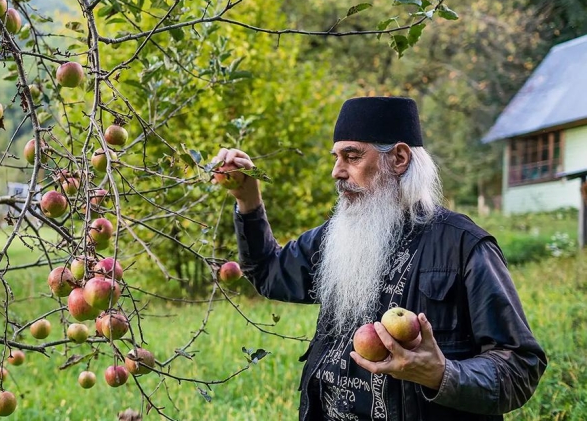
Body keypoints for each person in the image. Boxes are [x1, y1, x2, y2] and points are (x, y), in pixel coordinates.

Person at [215, 96, 547, 421]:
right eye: (336, 157)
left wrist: (442, 374)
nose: (336, 172)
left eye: (352, 156)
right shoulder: (337, 237)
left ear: (399, 158)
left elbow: (520, 365)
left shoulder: (463, 246)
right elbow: (269, 271)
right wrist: (248, 199)